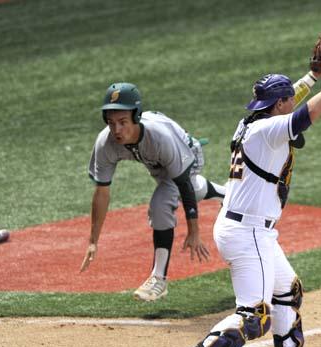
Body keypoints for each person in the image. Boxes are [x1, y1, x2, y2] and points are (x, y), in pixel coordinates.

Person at [171, 45, 321, 347]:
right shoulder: (271, 131)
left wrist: (315, 76)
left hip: (248, 229)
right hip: (248, 234)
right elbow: (309, 112)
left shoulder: (251, 123)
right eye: (287, 99)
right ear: (278, 107)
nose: (291, 102)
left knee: (287, 290)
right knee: (255, 316)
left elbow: (292, 101)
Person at [79, 82, 226, 301]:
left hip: (186, 154)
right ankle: (227, 194)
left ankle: (159, 278)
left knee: (161, 204)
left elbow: (183, 184)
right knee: (182, 190)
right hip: (157, 164)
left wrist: (194, 231)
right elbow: (102, 191)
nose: (116, 130)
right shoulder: (106, 143)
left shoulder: (159, 138)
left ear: (136, 117)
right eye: (111, 123)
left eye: (122, 122)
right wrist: (93, 240)